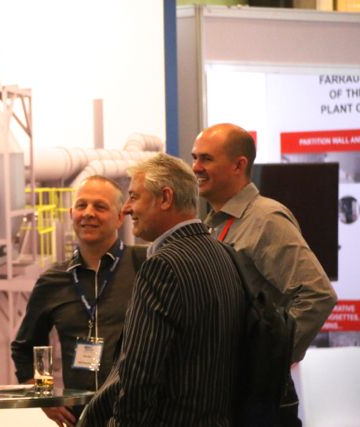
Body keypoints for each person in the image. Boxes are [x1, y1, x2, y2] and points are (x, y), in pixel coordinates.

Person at [81, 153, 247, 426]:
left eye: (134, 197)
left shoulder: (163, 266)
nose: (127, 208)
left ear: (166, 198)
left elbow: (139, 375)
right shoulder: (224, 254)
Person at [191, 123, 338, 426]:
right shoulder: (211, 223)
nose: (196, 167)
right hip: (224, 394)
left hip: (257, 400)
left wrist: (269, 362)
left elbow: (318, 295)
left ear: (238, 165)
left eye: (206, 159)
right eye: (195, 158)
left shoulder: (265, 219)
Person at [11, 176, 146, 427]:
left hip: (135, 415)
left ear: (119, 218)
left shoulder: (144, 266)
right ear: (71, 214)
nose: (89, 213)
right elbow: (25, 347)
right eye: (82, 205)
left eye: (100, 207)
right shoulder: (53, 281)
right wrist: (44, 396)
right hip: (80, 418)